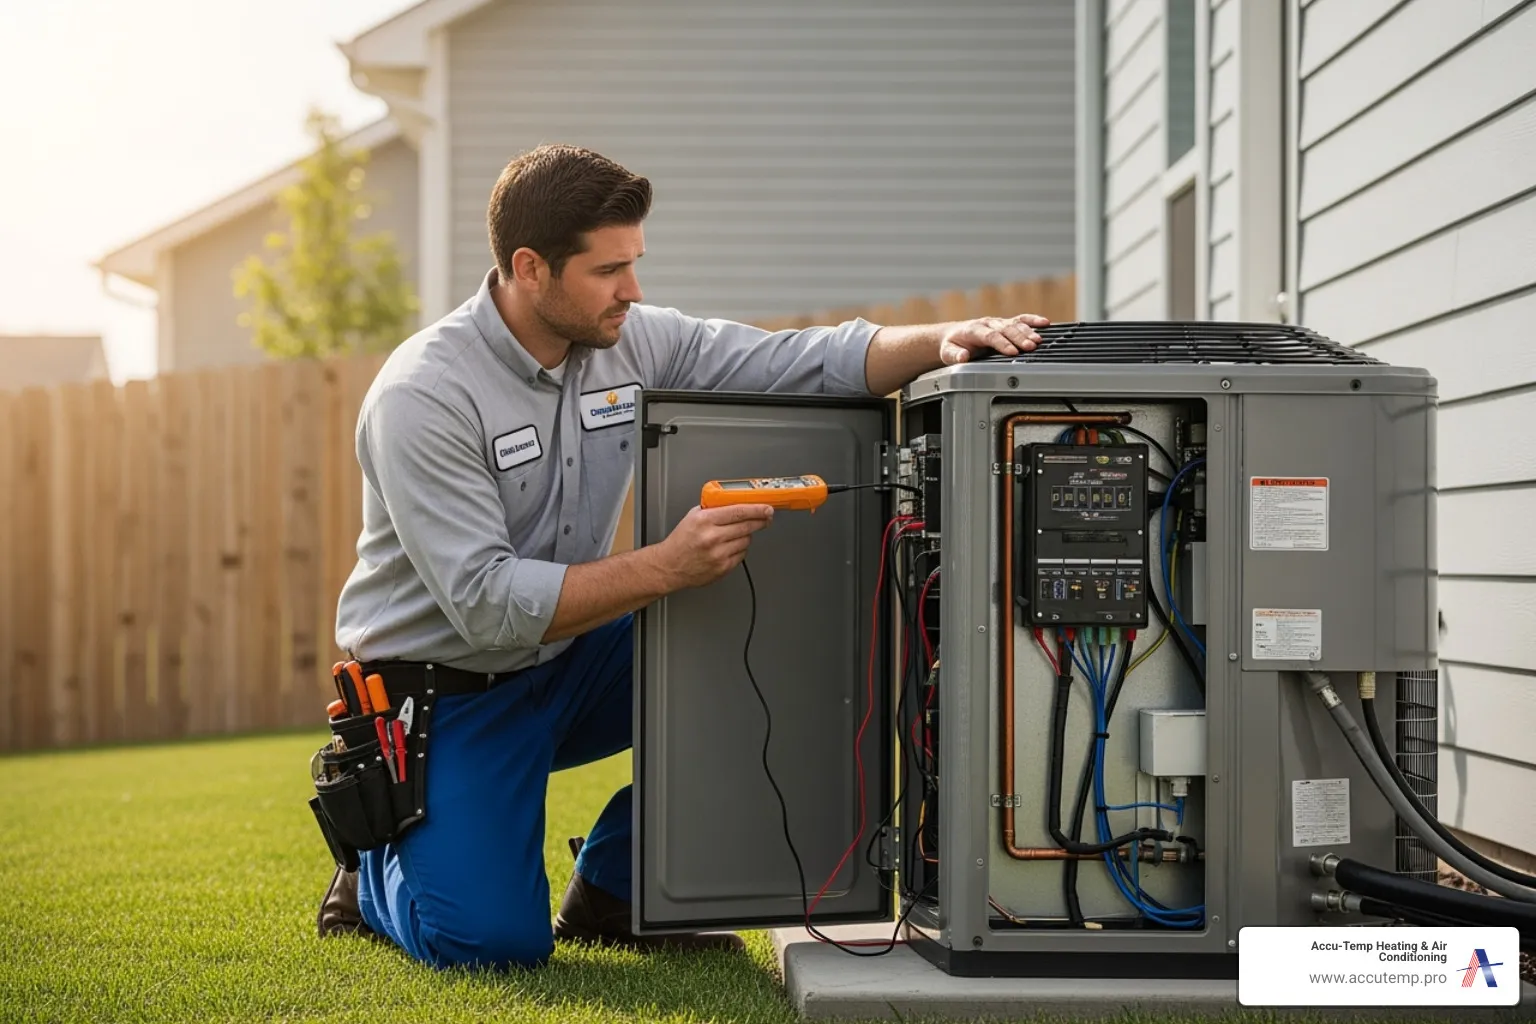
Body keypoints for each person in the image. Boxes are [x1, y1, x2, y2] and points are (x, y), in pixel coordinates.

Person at [316, 142, 1049, 970]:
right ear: (529, 268)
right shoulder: (424, 396)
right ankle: (371, 868)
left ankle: (615, 888)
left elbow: (796, 361)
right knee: (491, 946)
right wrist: (666, 566)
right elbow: (484, 603)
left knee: (775, 645)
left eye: (634, 263)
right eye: (608, 270)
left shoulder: (634, 340)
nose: (632, 289)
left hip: (570, 661)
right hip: (447, 696)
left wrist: (943, 339)